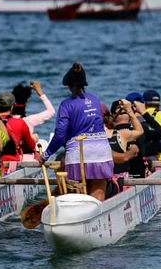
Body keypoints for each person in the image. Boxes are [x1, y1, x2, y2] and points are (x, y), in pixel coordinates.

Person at [41, 62, 114, 201]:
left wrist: (45, 155)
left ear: (68, 86)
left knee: (78, 195)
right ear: (84, 84)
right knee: (98, 192)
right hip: (101, 152)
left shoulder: (66, 105)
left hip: (77, 153)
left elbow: (60, 135)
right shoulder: (95, 100)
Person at [107, 99, 144, 175]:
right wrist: (130, 111)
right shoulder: (125, 133)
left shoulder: (104, 133)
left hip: (110, 174)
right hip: (135, 174)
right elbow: (159, 133)